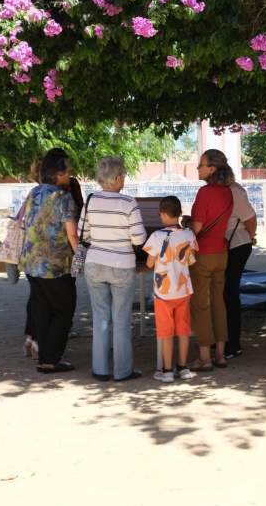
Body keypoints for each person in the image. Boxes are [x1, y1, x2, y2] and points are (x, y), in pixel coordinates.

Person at [80, 156, 147, 382]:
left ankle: (100, 370)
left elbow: (84, 234)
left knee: (100, 318)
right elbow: (138, 239)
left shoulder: (90, 201)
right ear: (117, 177)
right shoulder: (128, 203)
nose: (125, 179)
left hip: (94, 263)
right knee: (121, 319)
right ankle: (122, 371)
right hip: (121, 266)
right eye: (124, 175)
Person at [20, 147, 79, 373]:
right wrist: (81, 258)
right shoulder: (64, 198)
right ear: (57, 174)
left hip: (31, 262)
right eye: (67, 172)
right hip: (55, 265)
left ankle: (45, 358)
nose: (70, 175)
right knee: (64, 309)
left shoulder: (34, 193)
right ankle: (51, 359)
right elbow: (71, 233)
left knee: (41, 309)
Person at [143, 196, 198, 383]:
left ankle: (167, 371)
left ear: (163, 214)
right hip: (183, 290)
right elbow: (191, 260)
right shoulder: (189, 235)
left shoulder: (156, 237)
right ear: (179, 213)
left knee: (166, 332)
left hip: (163, 292)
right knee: (183, 330)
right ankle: (183, 368)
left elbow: (150, 263)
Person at [189, 148, 234, 370]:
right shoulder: (228, 192)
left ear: (212, 168)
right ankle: (221, 354)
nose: (198, 168)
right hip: (221, 253)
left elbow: (197, 228)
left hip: (204, 254)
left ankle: (204, 357)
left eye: (201, 164)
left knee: (200, 304)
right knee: (219, 302)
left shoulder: (205, 193)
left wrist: (184, 227)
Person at [223, 165, 257, 359]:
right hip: (228, 245)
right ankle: (224, 340)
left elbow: (250, 219)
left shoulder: (235, 192)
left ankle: (233, 343)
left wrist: (250, 238)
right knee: (223, 292)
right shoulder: (221, 191)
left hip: (237, 245)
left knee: (230, 292)